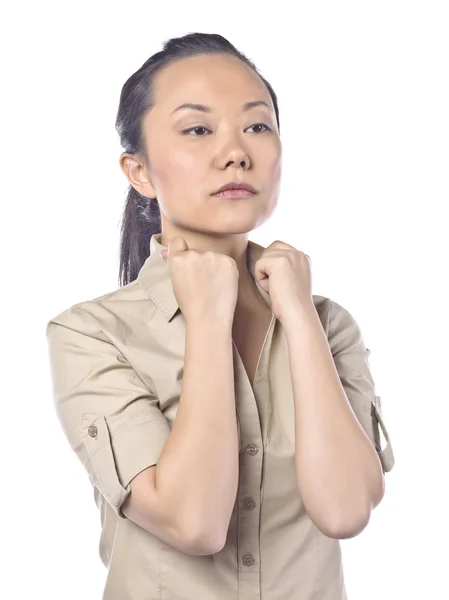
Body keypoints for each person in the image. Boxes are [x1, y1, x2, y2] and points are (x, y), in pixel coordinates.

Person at [46, 32, 395, 600]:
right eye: (198, 129)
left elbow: (345, 510)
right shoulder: (91, 335)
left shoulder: (328, 323)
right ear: (138, 171)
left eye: (257, 126)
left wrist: (300, 320)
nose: (236, 152)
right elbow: (193, 522)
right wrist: (208, 322)